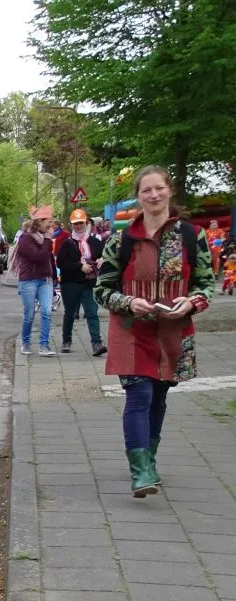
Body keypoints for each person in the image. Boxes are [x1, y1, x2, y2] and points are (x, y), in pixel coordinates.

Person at [94, 165, 216, 498]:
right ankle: (141, 471)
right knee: (140, 395)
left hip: (172, 331)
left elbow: (206, 285)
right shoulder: (122, 240)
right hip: (130, 330)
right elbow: (101, 289)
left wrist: (192, 303)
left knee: (159, 398)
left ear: (169, 190)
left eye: (159, 188)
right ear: (138, 197)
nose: (153, 195)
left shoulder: (192, 236)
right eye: (146, 190)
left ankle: (150, 459)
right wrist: (128, 301)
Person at [56, 209, 107, 356]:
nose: (78, 226)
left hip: (89, 283)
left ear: (86, 223)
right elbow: (61, 263)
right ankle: (66, 341)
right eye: (75, 224)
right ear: (72, 225)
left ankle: (97, 344)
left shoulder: (95, 241)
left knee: (92, 312)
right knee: (70, 313)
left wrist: (101, 260)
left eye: (81, 223)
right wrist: (80, 266)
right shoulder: (67, 243)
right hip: (70, 283)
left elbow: (104, 255)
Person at [14, 205, 59, 356]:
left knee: (46, 311)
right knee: (30, 314)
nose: (51, 225)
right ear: (39, 222)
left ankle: (44, 345)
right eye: (49, 221)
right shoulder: (25, 239)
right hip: (29, 280)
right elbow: (37, 257)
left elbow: (48, 259)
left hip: (45, 279)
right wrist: (47, 241)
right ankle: (26, 342)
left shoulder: (46, 239)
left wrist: (54, 278)